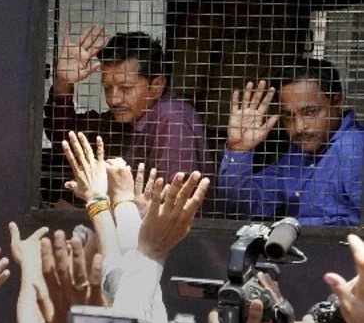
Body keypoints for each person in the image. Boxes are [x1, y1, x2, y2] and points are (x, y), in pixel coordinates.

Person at [45, 27, 212, 205]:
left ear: (157, 86)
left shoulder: (172, 119)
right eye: (107, 88)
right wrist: (64, 83)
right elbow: (66, 140)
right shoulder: (129, 116)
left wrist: (96, 212)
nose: (114, 99)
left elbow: (169, 206)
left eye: (126, 88)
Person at [218, 57, 364, 225]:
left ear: (337, 103)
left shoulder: (354, 148)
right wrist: (239, 149)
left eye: (310, 112)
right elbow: (243, 207)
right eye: (289, 116)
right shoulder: (297, 154)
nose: (300, 127)